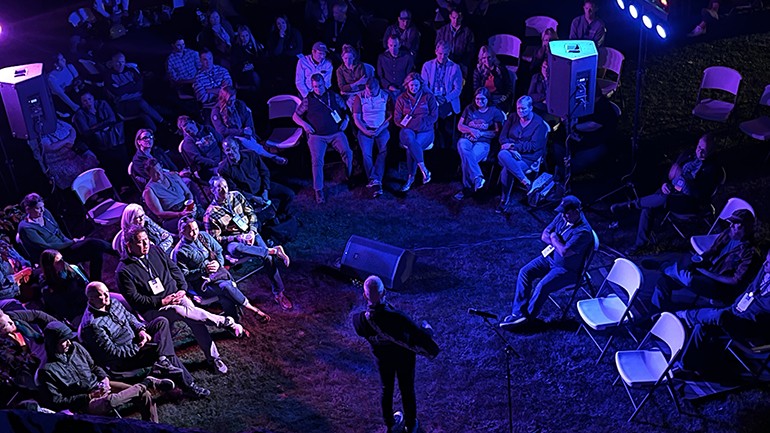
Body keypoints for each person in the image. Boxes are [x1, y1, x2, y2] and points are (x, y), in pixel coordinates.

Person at [116, 224, 243, 374]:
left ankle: (213, 358)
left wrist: (182, 289)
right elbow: (135, 299)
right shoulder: (123, 271)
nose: (145, 245)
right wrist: (162, 302)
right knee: (181, 310)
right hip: (154, 309)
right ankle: (223, 321)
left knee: (194, 318)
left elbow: (174, 269)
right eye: (140, 242)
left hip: (176, 295)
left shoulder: (155, 250)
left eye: (146, 239)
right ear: (128, 245)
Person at [79, 281, 210, 398]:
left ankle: (163, 359)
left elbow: (129, 317)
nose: (107, 296)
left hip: (136, 338)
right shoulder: (92, 325)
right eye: (102, 295)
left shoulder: (112, 302)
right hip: (128, 357)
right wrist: (137, 345)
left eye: (107, 292)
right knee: (166, 354)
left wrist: (140, 330)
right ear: (91, 299)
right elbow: (113, 352)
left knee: (161, 322)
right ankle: (189, 386)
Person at [610, 134, 723, 255]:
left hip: (688, 201)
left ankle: (629, 206)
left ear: (711, 151)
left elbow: (700, 195)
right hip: (671, 190)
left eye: (704, 150)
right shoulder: (688, 154)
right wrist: (665, 183)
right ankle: (639, 244)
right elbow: (670, 171)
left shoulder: (712, 169)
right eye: (699, 146)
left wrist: (686, 180)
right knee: (650, 205)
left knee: (661, 200)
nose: (699, 151)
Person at [38, 321, 173, 422]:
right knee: (109, 402)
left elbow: (94, 367)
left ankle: (153, 427)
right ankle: (146, 382)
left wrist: (104, 379)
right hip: (84, 402)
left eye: (68, 339)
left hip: (98, 386)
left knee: (145, 395)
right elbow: (56, 401)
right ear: (52, 343)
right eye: (63, 341)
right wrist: (89, 396)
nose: (68, 343)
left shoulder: (76, 348)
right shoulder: (47, 370)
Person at [353, 275, 440, 433]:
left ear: (364, 295)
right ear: (384, 292)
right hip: (403, 359)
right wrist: (427, 328)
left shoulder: (359, 321)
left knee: (386, 390)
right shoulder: (398, 318)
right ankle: (411, 424)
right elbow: (419, 336)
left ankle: (390, 423)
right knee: (407, 389)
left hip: (383, 360)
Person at [499, 195, 594, 328]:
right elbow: (545, 234)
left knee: (542, 287)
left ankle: (527, 320)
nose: (563, 216)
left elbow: (565, 252)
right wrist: (557, 242)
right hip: (549, 258)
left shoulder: (583, 232)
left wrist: (554, 238)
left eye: (566, 213)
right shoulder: (562, 217)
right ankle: (518, 313)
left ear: (577, 211)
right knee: (525, 272)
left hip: (566, 269)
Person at [204, 177, 293, 310]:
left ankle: (279, 293)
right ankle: (273, 250)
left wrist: (251, 231)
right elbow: (216, 239)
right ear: (212, 191)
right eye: (219, 188)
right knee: (235, 249)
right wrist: (239, 238)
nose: (224, 190)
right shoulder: (211, 214)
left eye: (225, 186)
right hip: (234, 242)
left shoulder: (236, 196)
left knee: (268, 258)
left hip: (250, 233)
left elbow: (251, 214)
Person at [675, 250, 770, 374]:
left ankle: (684, 317)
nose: (764, 264)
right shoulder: (765, 271)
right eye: (766, 260)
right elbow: (751, 290)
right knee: (703, 325)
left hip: (751, 330)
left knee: (718, 316)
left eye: (769, 263)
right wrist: (734, 308)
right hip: (735, 313)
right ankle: (686, 364)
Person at [650, 209, 758, 312]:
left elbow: (735, 281)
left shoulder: (749, 252)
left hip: (719, 285)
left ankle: (664, 266)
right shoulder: (728, 233)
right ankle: (657, 313)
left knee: (689, 279)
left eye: (736, 224)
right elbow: (713, 249)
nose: (731, 226)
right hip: (707, 269)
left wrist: (706, 272)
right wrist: (700, 258)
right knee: (663, 281)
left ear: (747, 227)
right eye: (731, 223)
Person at [172, 217, 271, 324]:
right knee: (226, 287)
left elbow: (219, 251)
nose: (194, 233)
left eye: (195, 229)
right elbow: (184, 276)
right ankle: (253, 309)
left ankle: (233, 322)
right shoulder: (180, 251)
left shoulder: (203, 236)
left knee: (225, 295)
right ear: (182, 232)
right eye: (190, 231)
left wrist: (218, 263)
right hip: (203, 284)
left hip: (219, 274)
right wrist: (204, 270)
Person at [17, 193, 116, 279]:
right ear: (28, 210)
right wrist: (73, 242)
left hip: (65, 247)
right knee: (92, 243)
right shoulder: (26, 228)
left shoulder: (45, 213)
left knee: (96, 251)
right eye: (38, 208)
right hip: (54, 257)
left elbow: (59, 232)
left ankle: (95, 283)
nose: (42, 210)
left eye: (43, 206)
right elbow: (47, 247)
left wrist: (70, 241)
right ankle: (119, 252)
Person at [292, 73, 353, 204]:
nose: (318, 89)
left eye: (320, 86)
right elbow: (295, 116)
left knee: (348, 152)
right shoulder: (308, 99)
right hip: (317, 136)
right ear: (312, 86)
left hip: (335, 132)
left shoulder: (334, 96)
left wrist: (346, 120)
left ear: (324, 83)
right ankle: (318, 190)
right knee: (317, 161)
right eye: (315, 86)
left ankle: (350, 177)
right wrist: (305, 124)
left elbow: (346, 110)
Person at [218, 137, 295, 218]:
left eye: (233, 148)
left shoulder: (251, 155)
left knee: (289, 194)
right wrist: (253, 198)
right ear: (224, 151)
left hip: (261, 186)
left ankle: (281, 215)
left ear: (238, 146)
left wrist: (265, 190)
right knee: (256, 221)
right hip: (247, 195)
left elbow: (264, 172)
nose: (231, 152)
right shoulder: (223, 169)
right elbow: (234, 190)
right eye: (228, 150)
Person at [210, 86, 287, 165]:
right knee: (246, 143)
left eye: (234, 99)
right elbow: (222, 131)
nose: (233, 103)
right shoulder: (216, 111)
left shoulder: (239, 104)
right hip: (230, 137)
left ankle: (269, 158)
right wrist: (242, 132)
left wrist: (250, 132)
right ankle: (272, 157)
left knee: (250, 142)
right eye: (230, 101)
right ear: (224, 99)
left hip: (244, 133)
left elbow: (248, 118)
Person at [496, 95, 548, 211]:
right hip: (509, 153)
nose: (520, 111)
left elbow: (535, 146)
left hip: (527, 157)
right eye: (518, 108)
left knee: (507, 169)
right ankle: (526, 181)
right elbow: (503, 137)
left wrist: (514, 146)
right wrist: (512, 149)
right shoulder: (513, 118)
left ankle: (504, 200)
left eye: (523, 108)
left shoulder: (539, 124)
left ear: (531, 108)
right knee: (502, 154)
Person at [454, 87, 505, 200]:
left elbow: (497, 133)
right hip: (467, 138)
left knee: (466, 160)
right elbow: (460, 126)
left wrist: (481, 134)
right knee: (462, 144)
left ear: (488, 99)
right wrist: (471, 130)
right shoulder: (469, 108)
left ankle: (467, 189)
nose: (479, 102)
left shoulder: (494, 111)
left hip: (483, 142)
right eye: (477, 99)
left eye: (482, 99)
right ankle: (477, 177)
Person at [72, 92, 128, 186]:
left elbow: (112, 119)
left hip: (115, 139)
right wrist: (104, 126)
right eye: (85, 101)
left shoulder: (102, 104)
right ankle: (120, 186)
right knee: (111, 166)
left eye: (89, 99)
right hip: (100, 145)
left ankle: (129, 182)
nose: (88, 102)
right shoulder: (80, 115)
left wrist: (95, 127)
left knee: (123, 159)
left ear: (93, 98)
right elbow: (85, 132)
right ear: (81, 103)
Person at [395, 73, 439, 192]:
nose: (414, 87)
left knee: (412, 147)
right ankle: (424, 170)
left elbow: (434, 116)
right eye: (411, 85)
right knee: (410, 140)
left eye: (416, 85)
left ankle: (410, 178)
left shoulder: (428, 97)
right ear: (407, 86)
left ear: (420, 85)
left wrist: (420, 123)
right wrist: (414, 123)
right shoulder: (401, 99)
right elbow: (397, 119)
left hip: (425, 129)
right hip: (407, 129)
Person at [28, 119, 99, 190]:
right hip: (56, 160)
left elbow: (71, 129)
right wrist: (67, 141)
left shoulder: (55, 121)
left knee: (88, 165)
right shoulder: (36, 130)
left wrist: (71, 141)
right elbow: (49, 147)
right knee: (74, 170)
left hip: (70, 154)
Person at [104, 52, 165, 131]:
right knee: (142, 104)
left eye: (122, 62)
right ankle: (164, 122)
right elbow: (117, 92)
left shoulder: (131, 70)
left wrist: (124, 87)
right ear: (112, 63)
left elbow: (139, 86)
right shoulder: (109, 76)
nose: (120, 65)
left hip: (138, 99)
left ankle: (157, 131)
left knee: (146, 113)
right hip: (124, 104)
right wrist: (131, 84)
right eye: (117, 62)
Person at [352, 78, 391, 199]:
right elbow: (356, 118)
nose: (370, 94)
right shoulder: (360, 97)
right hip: (365, 129)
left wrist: (380, 128)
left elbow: (390, 116)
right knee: (366, 154)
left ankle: (374, 179)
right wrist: (365, 130)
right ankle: (375, 181)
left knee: (383, 151)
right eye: (368, 92)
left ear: (378, 87)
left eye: (373, 92)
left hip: (381, 128)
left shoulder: (385, 96)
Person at [142, 158, 201, 232]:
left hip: (186, 207)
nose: (159, 174)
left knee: (206, 215)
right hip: (174, 217)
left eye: (160, 170)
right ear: (149, 174)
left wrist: (190, 205)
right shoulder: (149, 191)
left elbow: (188, 193)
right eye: (155, 173)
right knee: (195, 225)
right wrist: (180, 214)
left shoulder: (173, 175)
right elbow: (160, 213)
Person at [39, 249, 89, 325]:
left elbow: (86, 284)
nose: (63, 262)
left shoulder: (73, 269)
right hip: (78, 314)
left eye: (62, 259)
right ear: (49, 266)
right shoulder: (48, 288)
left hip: (90, 302)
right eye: (58, 262)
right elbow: (63, 310)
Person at [421, 41, 463, 120]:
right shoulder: (427, 65)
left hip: (447, 99)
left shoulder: (455, 67)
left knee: (440, 113)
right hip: (432, 97)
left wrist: (446, 98)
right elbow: (424, 85)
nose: (443, 57)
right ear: (436, 52)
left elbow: (457, 89)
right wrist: (433, 97)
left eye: (445, 54)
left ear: (449, 53)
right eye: (440, 53)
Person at [178, 116, 223, 181]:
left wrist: (225, 157)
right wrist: (215, 163)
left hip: (223, 158)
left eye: (191, 128)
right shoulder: (188, 143)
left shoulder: (207, 129)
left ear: (193, 122)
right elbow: (198, 158)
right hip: (211, 166)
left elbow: (220, 140)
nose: (191, 131)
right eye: (187, 131)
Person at [435, 7, 475, 77]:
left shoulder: (467, 32)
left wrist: (463, 63)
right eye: (454, 18)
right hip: (445, 62)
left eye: (458, 18)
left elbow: (470, 51)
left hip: (461, 63)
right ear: (450, 17)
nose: (455, 21)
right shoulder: (442, 31)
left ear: (462, 17)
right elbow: (437, 47)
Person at [472, 45, 513, 112]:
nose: (487, 60)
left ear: (493, 57)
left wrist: (504, 97)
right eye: (484, 58)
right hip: (484, 99)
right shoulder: (478, 71)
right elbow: (476, 89)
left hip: (499, 98)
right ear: (481, 59)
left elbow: (509, 86)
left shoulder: (501, 69)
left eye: (489, 57)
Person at [377, 35, 415, 100]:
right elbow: (380, 76)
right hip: (387, 90)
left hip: (403, 89)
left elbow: (410, 75)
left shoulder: (407, 57)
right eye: (391, 45)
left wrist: (402, 87)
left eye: (395, 45)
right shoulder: (382, 58)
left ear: (399, 45)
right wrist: (389, 86)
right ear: (388, 45)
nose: (392, 49)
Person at [231, 24, 265, 91]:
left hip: (256, 68)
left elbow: (261, 59)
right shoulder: (236, 47)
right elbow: (234, 63)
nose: (245, 38)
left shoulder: (255, 44)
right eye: (242, 36)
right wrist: (244, 67)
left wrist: (253, 65)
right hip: (243, 71)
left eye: (246, 35)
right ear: (239, 37)